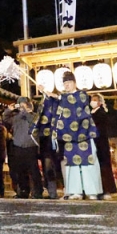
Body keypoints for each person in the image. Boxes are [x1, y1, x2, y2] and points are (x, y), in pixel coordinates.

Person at [36, 71, 102, 200]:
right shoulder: (62, 99)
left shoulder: (82, 95)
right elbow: (54, 105)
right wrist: (46, 94)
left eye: (68, 83)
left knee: (88, 163)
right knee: (72, 164)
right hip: (69, 135)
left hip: (84, 134)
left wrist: (53, 94)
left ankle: (91, 191)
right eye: (64, 84)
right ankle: (75, 191)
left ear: (74, 83)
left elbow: (73, 102)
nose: (66, 86)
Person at [3, 97, 43, 199]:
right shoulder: (16, 117)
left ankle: (38, 192)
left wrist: (25, 111)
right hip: (18, 146)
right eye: (20, 104)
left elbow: (34, 123)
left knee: (34, 171)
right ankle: (23, 191)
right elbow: (6, 119)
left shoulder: (34, 116)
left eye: (23, 104)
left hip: (31, 147)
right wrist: (9, 110)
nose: (21, 106)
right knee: (20, 171)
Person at [90, 93, 117, 200]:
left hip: (100, 141)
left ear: (100, 102)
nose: (93, 101)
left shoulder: (101, 112)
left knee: (103, 166)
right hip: (92, 141)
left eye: (95, 100)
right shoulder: (90, 112)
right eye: (92, 99)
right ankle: (96, 188)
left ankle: (106, 189)